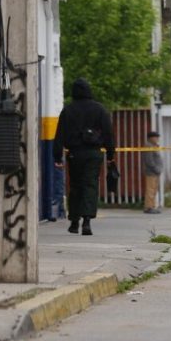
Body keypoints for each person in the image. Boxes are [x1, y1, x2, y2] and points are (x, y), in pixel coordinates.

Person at [53, 78, 115, 236]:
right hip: (94, 153)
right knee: (90, 185)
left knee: (75, 185)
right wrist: (110, 154)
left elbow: (59, 134)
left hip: (75, 153)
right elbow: (108, 133)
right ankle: (87, 221)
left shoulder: (68, 110)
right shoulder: (99, 109)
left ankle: (74, 222)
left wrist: (57, 157)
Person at [143, 131, 163, 214]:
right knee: (150, 190)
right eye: (156, 137)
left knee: (154, 190)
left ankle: (152, 206)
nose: (157, 139)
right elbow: (149, 160)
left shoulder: (154, 146)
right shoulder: (148, 146)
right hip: (151, 172)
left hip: (155, 172)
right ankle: (148, 207)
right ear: (150, 138)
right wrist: (156, 169)